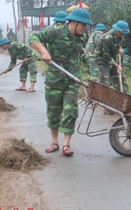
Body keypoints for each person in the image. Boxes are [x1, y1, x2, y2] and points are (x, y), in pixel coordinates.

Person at [29, 8, 92, 157]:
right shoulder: (55, 32)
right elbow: (33, 37)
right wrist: (44, 51)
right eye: (83, 25)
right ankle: (54, 142)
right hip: (55, 80)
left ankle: (66, 145)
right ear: (74, 22)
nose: (85, 28)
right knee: (54, 112)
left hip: (72, 79)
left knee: (71, 111)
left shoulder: (82, 36)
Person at [94, 20, 130, 94]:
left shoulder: (121, 37)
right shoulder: (107, 38)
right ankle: (100, 96)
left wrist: (120, 49)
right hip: (102, 59)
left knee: (120, 77)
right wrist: (117, 66)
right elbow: (106, 56)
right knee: (105, 78)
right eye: (120, 32)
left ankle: (124, 95)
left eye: (123, 33)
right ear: (116, 29)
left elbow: (118, 46)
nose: (122, 34)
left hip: (112, 58)